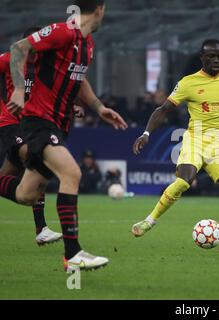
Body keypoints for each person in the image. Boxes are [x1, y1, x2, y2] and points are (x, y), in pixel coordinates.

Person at [0, 0, 128, 272]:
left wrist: (98, 107)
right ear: (100, 9)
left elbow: (78, 79)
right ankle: (73, 255)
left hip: (58, 125)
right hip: (38, 122)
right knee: (72, 173)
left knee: (26, 195)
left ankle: (72, 254)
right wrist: (20, 90)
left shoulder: (88, 44)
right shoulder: (62, 32)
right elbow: (18, 48)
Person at [131, 39, 219, 256]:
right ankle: (150, 220)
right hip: (195, 140)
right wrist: (147, 133)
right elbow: (164, 109)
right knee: (183, 181)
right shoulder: (188, 83)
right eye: (211, 56)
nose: (215, 60)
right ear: (201, 57)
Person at [0, 27, 62, 245]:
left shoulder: (42, 66)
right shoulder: (10, 59)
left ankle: (41, 229)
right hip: (10, 123)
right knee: (35, 157)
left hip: (29, 125)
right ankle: (41, 228)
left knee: (6, 175)